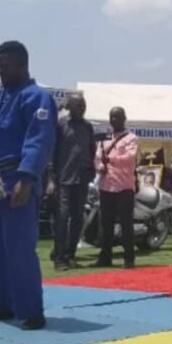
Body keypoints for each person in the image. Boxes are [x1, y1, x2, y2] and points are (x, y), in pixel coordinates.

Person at [0, 41, 57, 330]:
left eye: (5, 66)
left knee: (19, 248)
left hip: (17, 179)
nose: (0, 71)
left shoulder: (37, 97)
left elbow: (38, 140)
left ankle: (31, 311)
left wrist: (27, 178)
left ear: (22, 64)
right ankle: (0, 305)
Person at [48, 91, 95, 270]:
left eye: (83, 105)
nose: (82, 108)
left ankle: (70, 256)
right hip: (64, 179)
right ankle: (59, 258)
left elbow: (91, 150)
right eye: (78, 105)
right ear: (69, 107)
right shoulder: (60, 125)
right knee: (62, 217)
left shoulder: (88, 127)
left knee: (78, 219)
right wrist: (50, 179)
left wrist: (91, 171)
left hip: (82, 179)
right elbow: (51, 153)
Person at [92, 107, 138, 268]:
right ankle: (105, 257)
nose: (114, 120)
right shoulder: (104, 138)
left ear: (124, 118)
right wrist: (100, 166)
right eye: (112, 117)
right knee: (106, 224)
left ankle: (129, 259)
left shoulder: (131, 138)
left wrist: (111, 160)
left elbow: (130, 157)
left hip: (124, 186)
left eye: (117, 117)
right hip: (106, 186)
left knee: (126, 224)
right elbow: (97, 157)